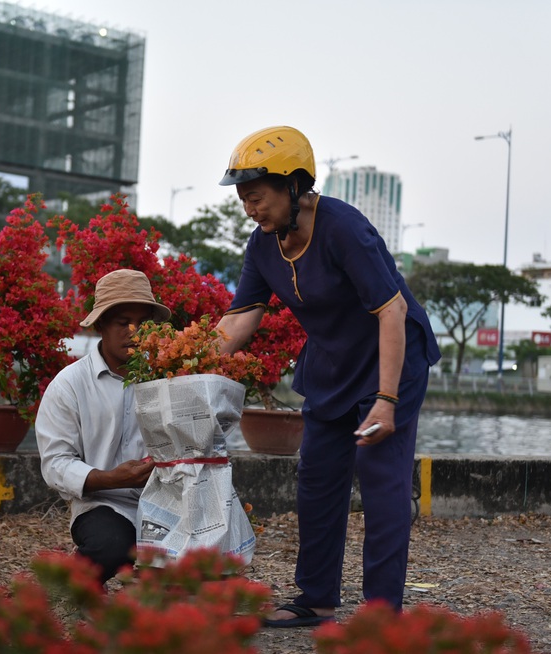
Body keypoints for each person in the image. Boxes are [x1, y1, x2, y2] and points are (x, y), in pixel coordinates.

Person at [215, 126, 441, 627]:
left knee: (383, 490)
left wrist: (385, 400)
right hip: (331, 368)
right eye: (243, 201)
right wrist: (184, 363)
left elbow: (392, 311)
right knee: (316, 481)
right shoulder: (263, 245)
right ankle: (315, 601)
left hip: (391, 365)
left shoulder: (344, 228)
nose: (250, 210)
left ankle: (382, 615)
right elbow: (240, 317)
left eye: (257, 198)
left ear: (294, 185)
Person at [36, 268, 171, 585]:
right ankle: (75, 583)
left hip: (169, 502)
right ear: (100, 326)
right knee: (109, 545)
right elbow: (55, 464)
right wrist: (111, 478)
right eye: (123, 323)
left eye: (142, 324)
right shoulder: (70, 385)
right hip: (104, 503)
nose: (134, 332)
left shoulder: (168, 375)